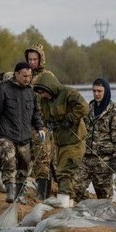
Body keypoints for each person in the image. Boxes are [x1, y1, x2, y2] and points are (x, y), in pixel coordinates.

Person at [0, 62, 45, 203]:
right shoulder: (3, 89)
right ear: (16, 74)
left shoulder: (30, 91)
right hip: (6, 135)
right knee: (9, 160)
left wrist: (40, 128)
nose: (27, 79)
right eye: (24, 76)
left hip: (24, 136)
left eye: (29, 76)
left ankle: (19, 194)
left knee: (25, 166)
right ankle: (10, 191)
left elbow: (35, 113)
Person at [33, 74, 88, 208]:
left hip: (74, 140)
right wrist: (49, 123)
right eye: (41, 93)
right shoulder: (44, 101)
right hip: (59, 142)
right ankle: (69, 203)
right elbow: (43, 116)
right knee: (61, 171)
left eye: (44, 92)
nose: (43, 95)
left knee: (65, 170)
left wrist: (69, 118)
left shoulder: (69, 93)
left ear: (50, 87)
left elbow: (84, 107)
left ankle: (63, 202)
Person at [72, 79, 116, 203]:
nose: (96, 94)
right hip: (85, 159)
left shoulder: (115, 113)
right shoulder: (88, 109)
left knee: (105, 199)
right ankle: (86, 212)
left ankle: (104, 220)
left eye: (99, 91)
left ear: (106, 91)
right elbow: (79, 127)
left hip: (103, 161)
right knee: (74, 188)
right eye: (94, 91)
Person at [24, 43, 58, 201]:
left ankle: (43, 194)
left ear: (40, 59)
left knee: (43, 157)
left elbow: (57, 97)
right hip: (26, 124)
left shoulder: (47, 76)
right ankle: (37, 190)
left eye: (34, 59)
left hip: (43, 123)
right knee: (29, 158)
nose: (32, 62)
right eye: (29, 59)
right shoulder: (24, 75)